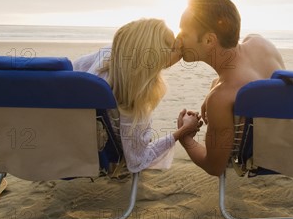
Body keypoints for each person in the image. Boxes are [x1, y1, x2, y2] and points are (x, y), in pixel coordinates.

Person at [175, 0, 285, 176]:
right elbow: (252, 76)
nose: (178, 39)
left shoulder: (221, 98)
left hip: (262, 157)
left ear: (209, 40)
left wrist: (185, 137)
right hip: (287, 143)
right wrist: (216, 84)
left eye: (184, 33)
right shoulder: (261, 43)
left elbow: (214, 166)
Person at [73, 18, 201, 173]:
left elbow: (74, 69)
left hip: (65, 144)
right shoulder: (131, 102)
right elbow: (137, 160)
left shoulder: (106, 56)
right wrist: (182, 131)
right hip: (99, 155)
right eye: (172, 48)